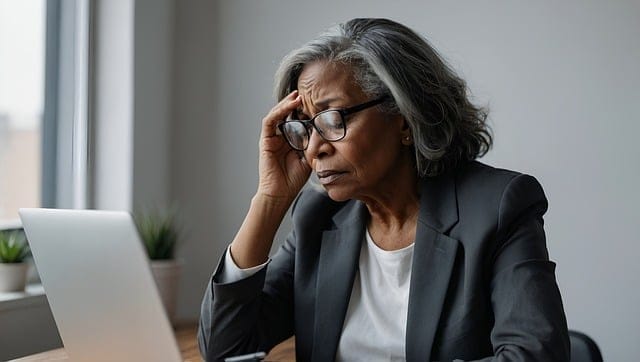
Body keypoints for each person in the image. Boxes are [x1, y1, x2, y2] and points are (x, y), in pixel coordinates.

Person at [198, 18, 570, 362]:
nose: (314, 148)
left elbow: (535, 355)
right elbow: (224, 347)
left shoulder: (498, 207)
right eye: (306, 127)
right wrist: (269, 200)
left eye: (333, 119)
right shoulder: (319, 216)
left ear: (405, 118)